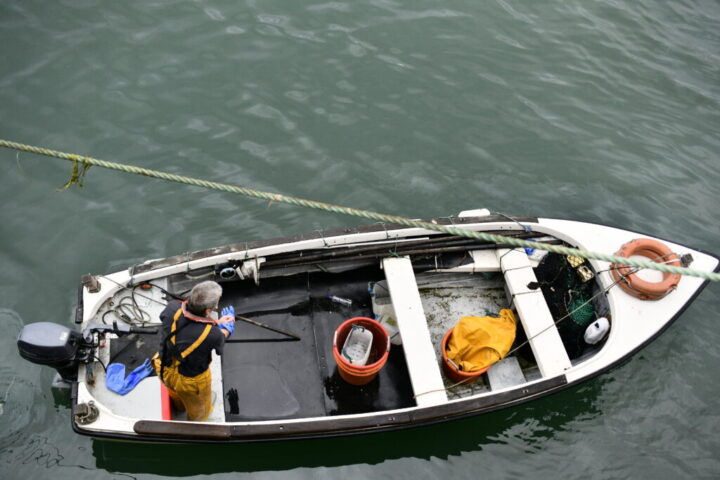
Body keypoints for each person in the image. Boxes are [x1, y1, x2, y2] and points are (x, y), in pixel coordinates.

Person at [152, 280, 235, 421]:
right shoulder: (212, 334)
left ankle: (179, 406)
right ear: (207, 311)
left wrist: (216, 323)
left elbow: (187, 324)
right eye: (215, 304)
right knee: (200, 410)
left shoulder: (172, 307)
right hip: (189, 382)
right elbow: (220, 343)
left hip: (163, 366)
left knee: (174, 392)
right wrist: (227, 328)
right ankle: (197, 420)